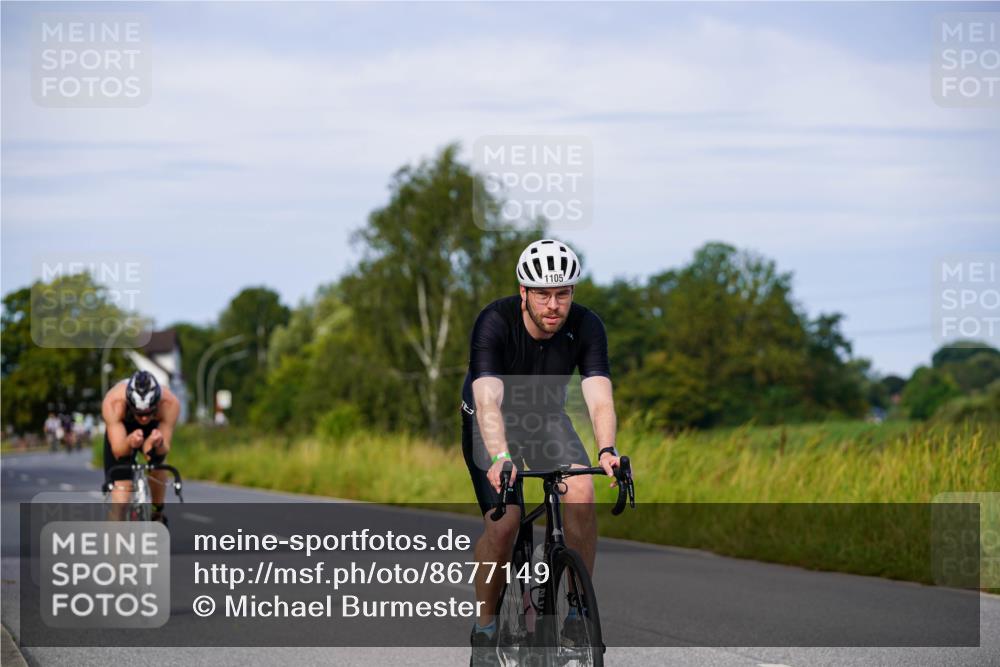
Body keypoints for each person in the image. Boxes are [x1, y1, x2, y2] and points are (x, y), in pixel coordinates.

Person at [462, 239, 621, 665]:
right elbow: (488, 400)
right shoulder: (494, 322)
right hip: (491, 422)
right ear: (524, 292)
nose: (553, 305)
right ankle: (486, 629)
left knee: (581, 492)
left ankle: (577, 612)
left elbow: (599, 397)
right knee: (505, 524)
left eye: (562, 293)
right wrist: (501, 458)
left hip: (545, 418)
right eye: (543, 294)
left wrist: (607, 449)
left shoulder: (587, 326)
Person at [101, 370, 180, 523]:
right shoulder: (113, 402)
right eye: (139, 413)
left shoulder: (170, 404)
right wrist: (129, 442)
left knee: (157, 465)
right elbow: (118, 451)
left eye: (149, 413)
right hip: (124, 430)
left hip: (154, 430)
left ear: (156, 404)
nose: (143, 418)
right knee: (122, 497)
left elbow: (164, 449)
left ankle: (157, 511)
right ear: (130, 404)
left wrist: (156, 443)